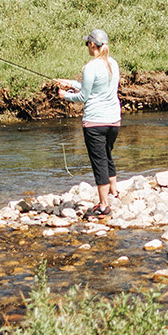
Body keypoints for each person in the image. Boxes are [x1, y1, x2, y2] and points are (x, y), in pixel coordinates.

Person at [60, 28, 122, 217]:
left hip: (95, 122)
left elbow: (85, 96)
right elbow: (97, 88)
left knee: (99, 161)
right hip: (114, 121)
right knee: (107, 153)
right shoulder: (113, 63)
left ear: (92, 45)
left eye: (87, 43)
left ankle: (103, 205)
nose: (87, 45)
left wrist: (66, 96)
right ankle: (114, 191)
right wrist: (71, 83)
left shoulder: (90, 67)